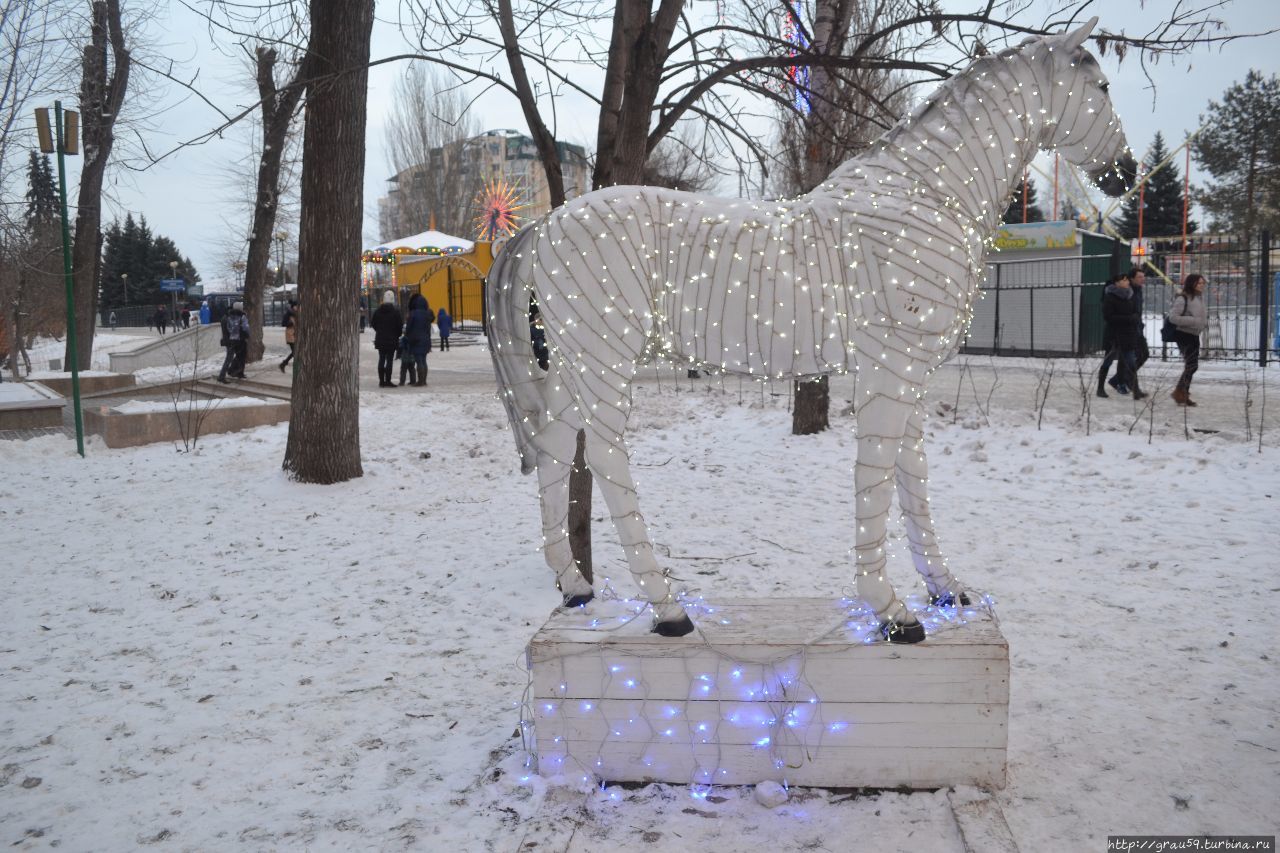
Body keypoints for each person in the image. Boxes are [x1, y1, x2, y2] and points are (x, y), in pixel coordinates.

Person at [1097, 266, 1147, 395]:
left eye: (1126, 280)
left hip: (1128, 334)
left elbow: (1136, 311)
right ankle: (1100, 388)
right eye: (1124, 280)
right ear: (1117, 283)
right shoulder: (1110, 297)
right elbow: (1109, 317)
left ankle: (1136, 390)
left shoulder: (1130, 295)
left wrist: (1134, 318)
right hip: (1114, 335)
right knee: (1108, 361)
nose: (1126, 282)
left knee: (1131, 362)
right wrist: (1129, 318)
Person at [1167, 273, 1208, 406]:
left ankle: (1182, 393)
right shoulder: (1183, 298)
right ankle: (1180, 393)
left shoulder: (1199, 297)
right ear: (1192, 284)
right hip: (1184, 334)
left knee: (1191, 366)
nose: (1202, 285)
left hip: (1194, 334)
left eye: (1203, 283)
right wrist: (1194, 321)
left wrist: (1200, 323)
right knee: (1192, 365)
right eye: (1199, 283)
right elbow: (1173, 317)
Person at [370, 290, 403, 388]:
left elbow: (373, 323)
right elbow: (399, 327)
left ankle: (381, 381)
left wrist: (379, 331)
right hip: (392, 340)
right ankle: (388, 380)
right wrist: (396, 335)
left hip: (380, 339)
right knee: (389, 360)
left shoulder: (377, 311)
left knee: (381, 359)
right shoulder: (396, 312)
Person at [401, 293, 434, 385]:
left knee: (419, 360)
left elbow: (408, 328)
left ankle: (420, 381)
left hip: (416, 340)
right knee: (424, 360)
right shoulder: (427, 314)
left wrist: (408, 336)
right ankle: (424, 381)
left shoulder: (413, 314)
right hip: (426, 340)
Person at [218, 301, 250, 383]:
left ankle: (232, 372)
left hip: (229, 340)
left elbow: (226, 329)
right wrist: (246, 335)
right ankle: (224, 375)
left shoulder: (227, 317)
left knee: (232, 357)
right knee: (237, 357)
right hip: (237, 340)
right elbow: (245, 328)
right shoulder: (240, 316)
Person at [280, 299, 299, 373]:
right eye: (296, 306)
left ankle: (284, 363)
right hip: (290, 335)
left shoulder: (297, 313)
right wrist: (291, 323)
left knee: (296, 353)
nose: (298, 308)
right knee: (295, 353)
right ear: (293, 306)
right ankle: (296, 370)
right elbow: (283, 324)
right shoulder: (288, 314)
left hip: (295, 334)